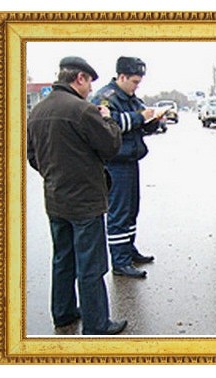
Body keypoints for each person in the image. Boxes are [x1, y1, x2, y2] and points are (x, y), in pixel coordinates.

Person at [27, 56, 127, 335]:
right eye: (89, 83)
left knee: (62, 258)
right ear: (80, 78)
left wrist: (53, 175)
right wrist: (110, 121)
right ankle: (97, 323)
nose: (90, 90)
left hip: (55, 198)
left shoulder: (37, 112)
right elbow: (110, 147)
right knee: (91, 265)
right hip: (85, 201)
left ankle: (63, 313)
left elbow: (32, 155)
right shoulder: (83, 111)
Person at [92, 56, 161, 278]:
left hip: (130, 161)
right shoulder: (105, 98)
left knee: (132, 210)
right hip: (115, 164)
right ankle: (120, 262)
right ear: (121, 77)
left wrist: (153, 121)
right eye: (133, 81)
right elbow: (107, 125)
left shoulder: (130, 98)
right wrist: (139, 118)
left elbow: (139, 124)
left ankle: (129, 250)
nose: (136, 86)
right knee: (119, 212)